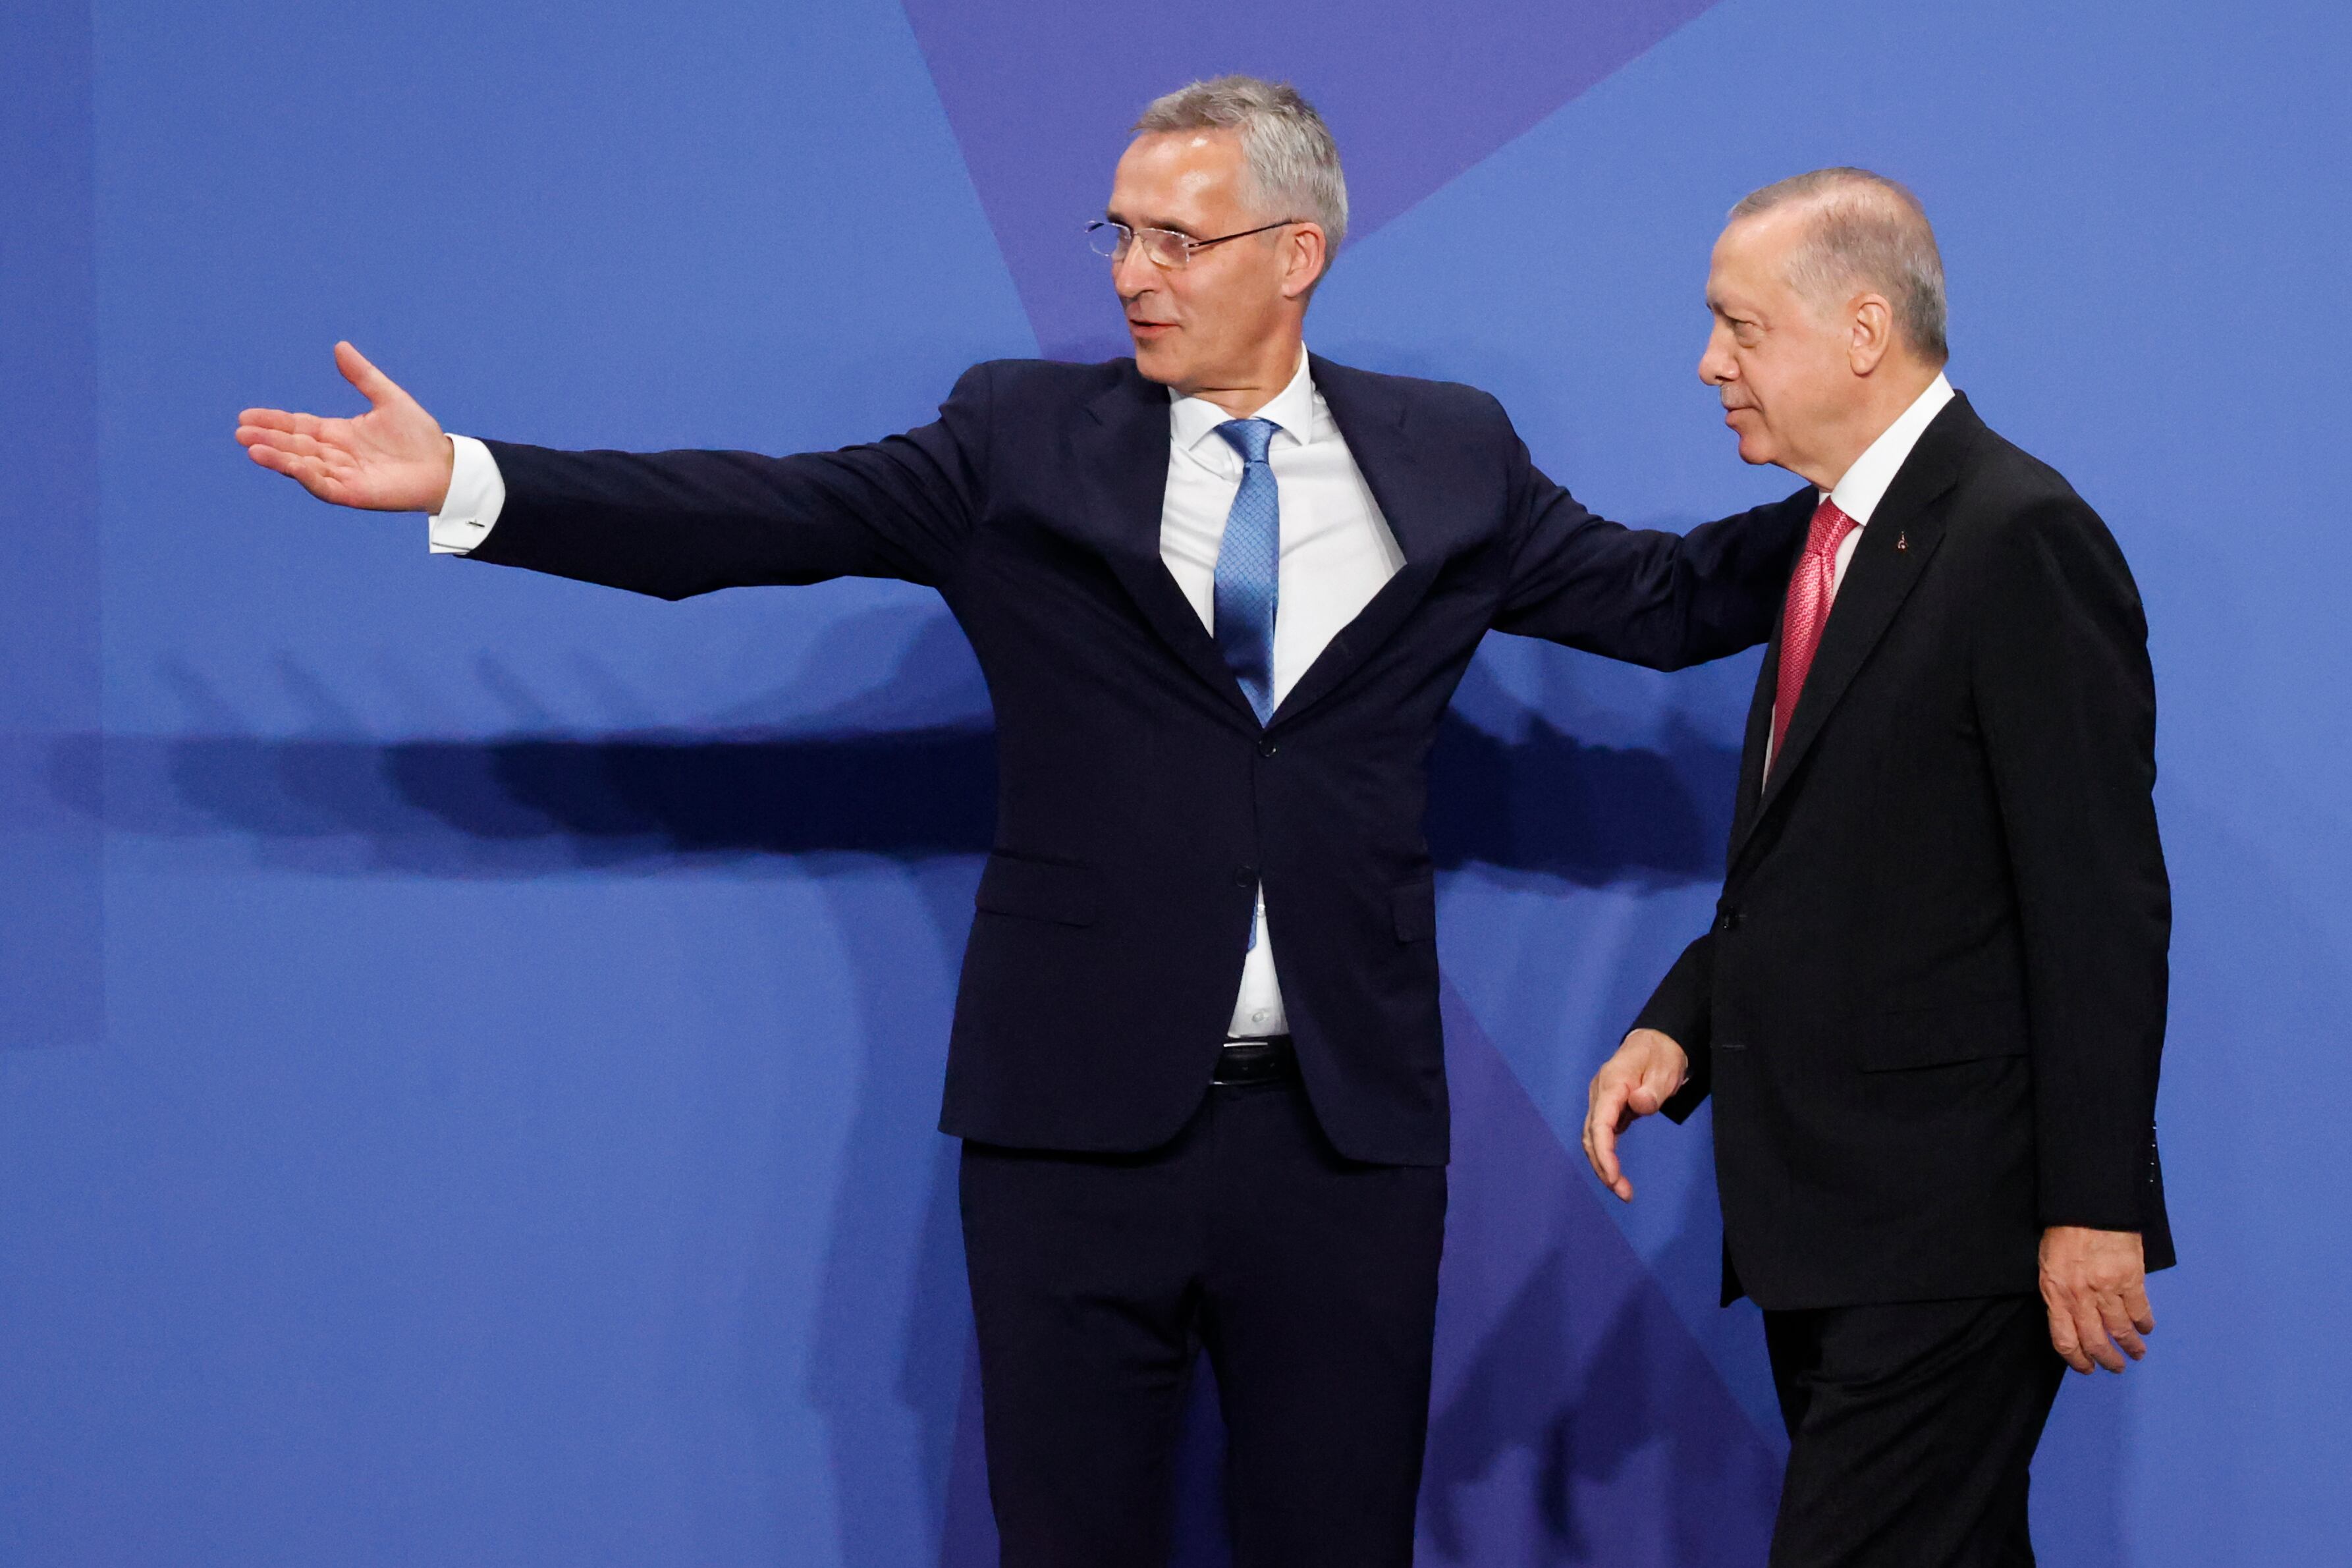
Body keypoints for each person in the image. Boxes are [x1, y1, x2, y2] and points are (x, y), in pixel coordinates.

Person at [239, 76, 1805, 1568]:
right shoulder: (1018, 441)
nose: (1136, 273)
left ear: (1296, 256)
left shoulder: (1449, 451)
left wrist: (1887, 472)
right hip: (1071, 1128)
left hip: (1343, 1137)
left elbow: (1661, 603)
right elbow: (752, 518)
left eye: (1177, 241)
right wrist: (469, 479)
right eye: (1117, 233)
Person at [1582, 167, 2173, 1565]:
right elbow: (1847, 853)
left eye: (1739, 327)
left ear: (1861, 332)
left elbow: (2096, 901)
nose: (1708, 364)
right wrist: (1687, 1016)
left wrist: (2094, 1205)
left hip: (1948, 1230)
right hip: (1835, 1225)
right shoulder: (1827, 535)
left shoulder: (2017, 535)